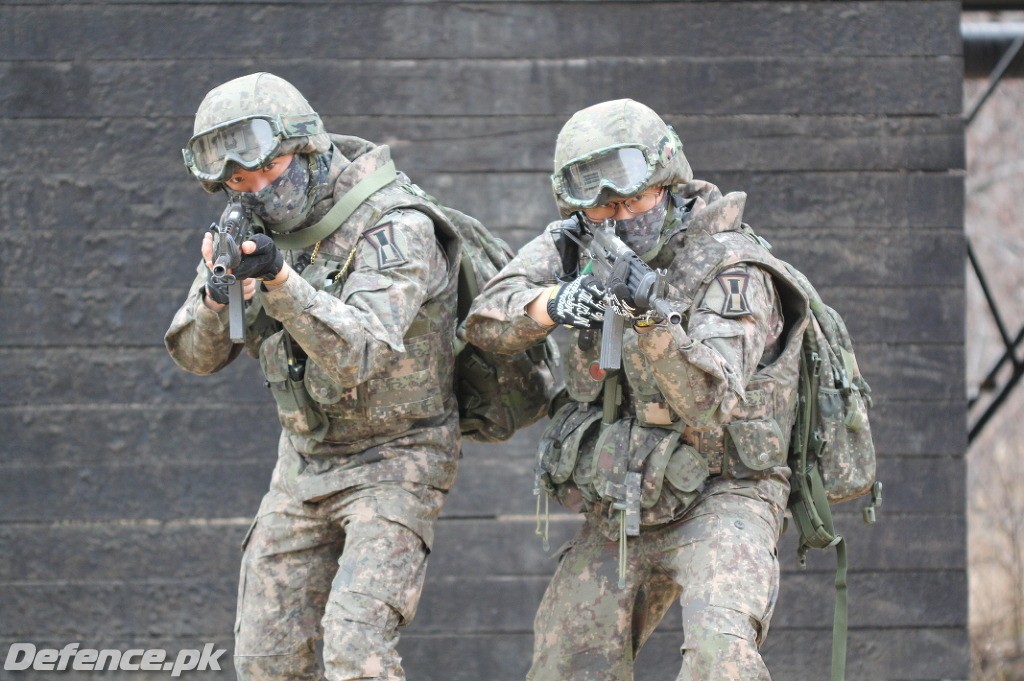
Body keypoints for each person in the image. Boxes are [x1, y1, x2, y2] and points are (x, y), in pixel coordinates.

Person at [465, 99, 809, 681]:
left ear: (669, 187)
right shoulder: (574, 246)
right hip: (626, 499)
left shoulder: (733, 269)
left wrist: (649, 318)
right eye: (601, 208)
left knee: (719, 657)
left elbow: (710, 403)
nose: (619, 219)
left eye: (632, 201)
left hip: (727, 491)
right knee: (566, 662)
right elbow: (484, 321)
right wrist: (556, 304)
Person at [165, 72, 463, 681]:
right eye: (238, 181)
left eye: (268, 170)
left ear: (307, 148)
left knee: (356, 650)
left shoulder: (396, 224)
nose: (255, 190)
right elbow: (195, 357)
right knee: (265, 660)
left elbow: (360, 353)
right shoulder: (247, 225)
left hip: (399, 457)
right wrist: (220, 297)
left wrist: (279, 281)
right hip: (304, 460)